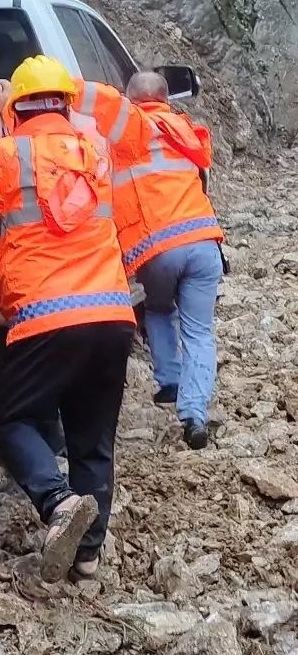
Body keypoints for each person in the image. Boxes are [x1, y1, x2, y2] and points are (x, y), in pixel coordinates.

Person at [0, 57, 135, 583]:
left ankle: (55, 501)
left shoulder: (8, 153)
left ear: (15, 107)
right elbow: (50, 165)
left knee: (12, 420)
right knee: (93, 439)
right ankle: (89, 556)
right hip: (113, 314)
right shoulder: (95, 152)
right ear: (66, 104)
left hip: (48, 316)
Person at [74, 70, 224, 449]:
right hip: (204, 243)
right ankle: (194, 415)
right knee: (200, 332)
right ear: (167, 99)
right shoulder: (185, 129)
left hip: (158, 249)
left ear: (132, 101)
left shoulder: (129, 128)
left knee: (158, 309)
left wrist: (61, 86)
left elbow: (103, 105)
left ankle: (169, 381)